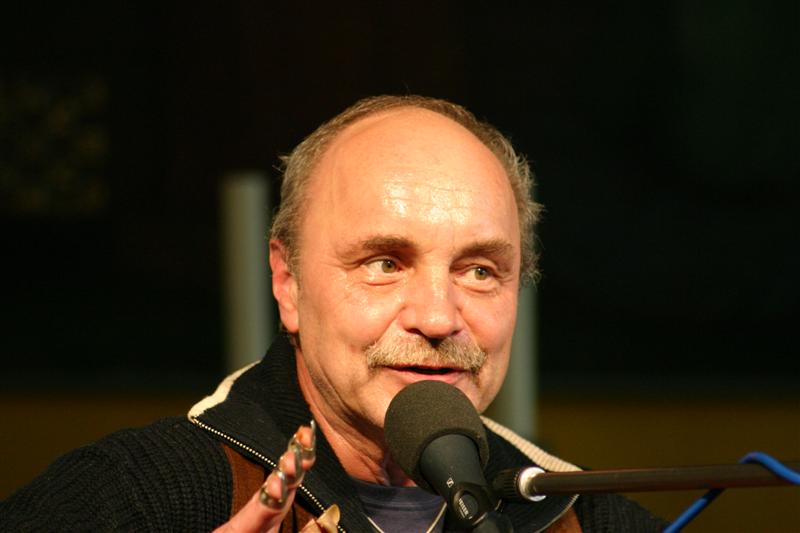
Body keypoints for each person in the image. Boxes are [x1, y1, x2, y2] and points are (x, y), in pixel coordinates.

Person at [0, 96, 667, 532]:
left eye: (479, 270)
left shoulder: (585, 518)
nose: (438, 317)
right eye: (385, 262)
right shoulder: (143, 495)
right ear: (288, 282)